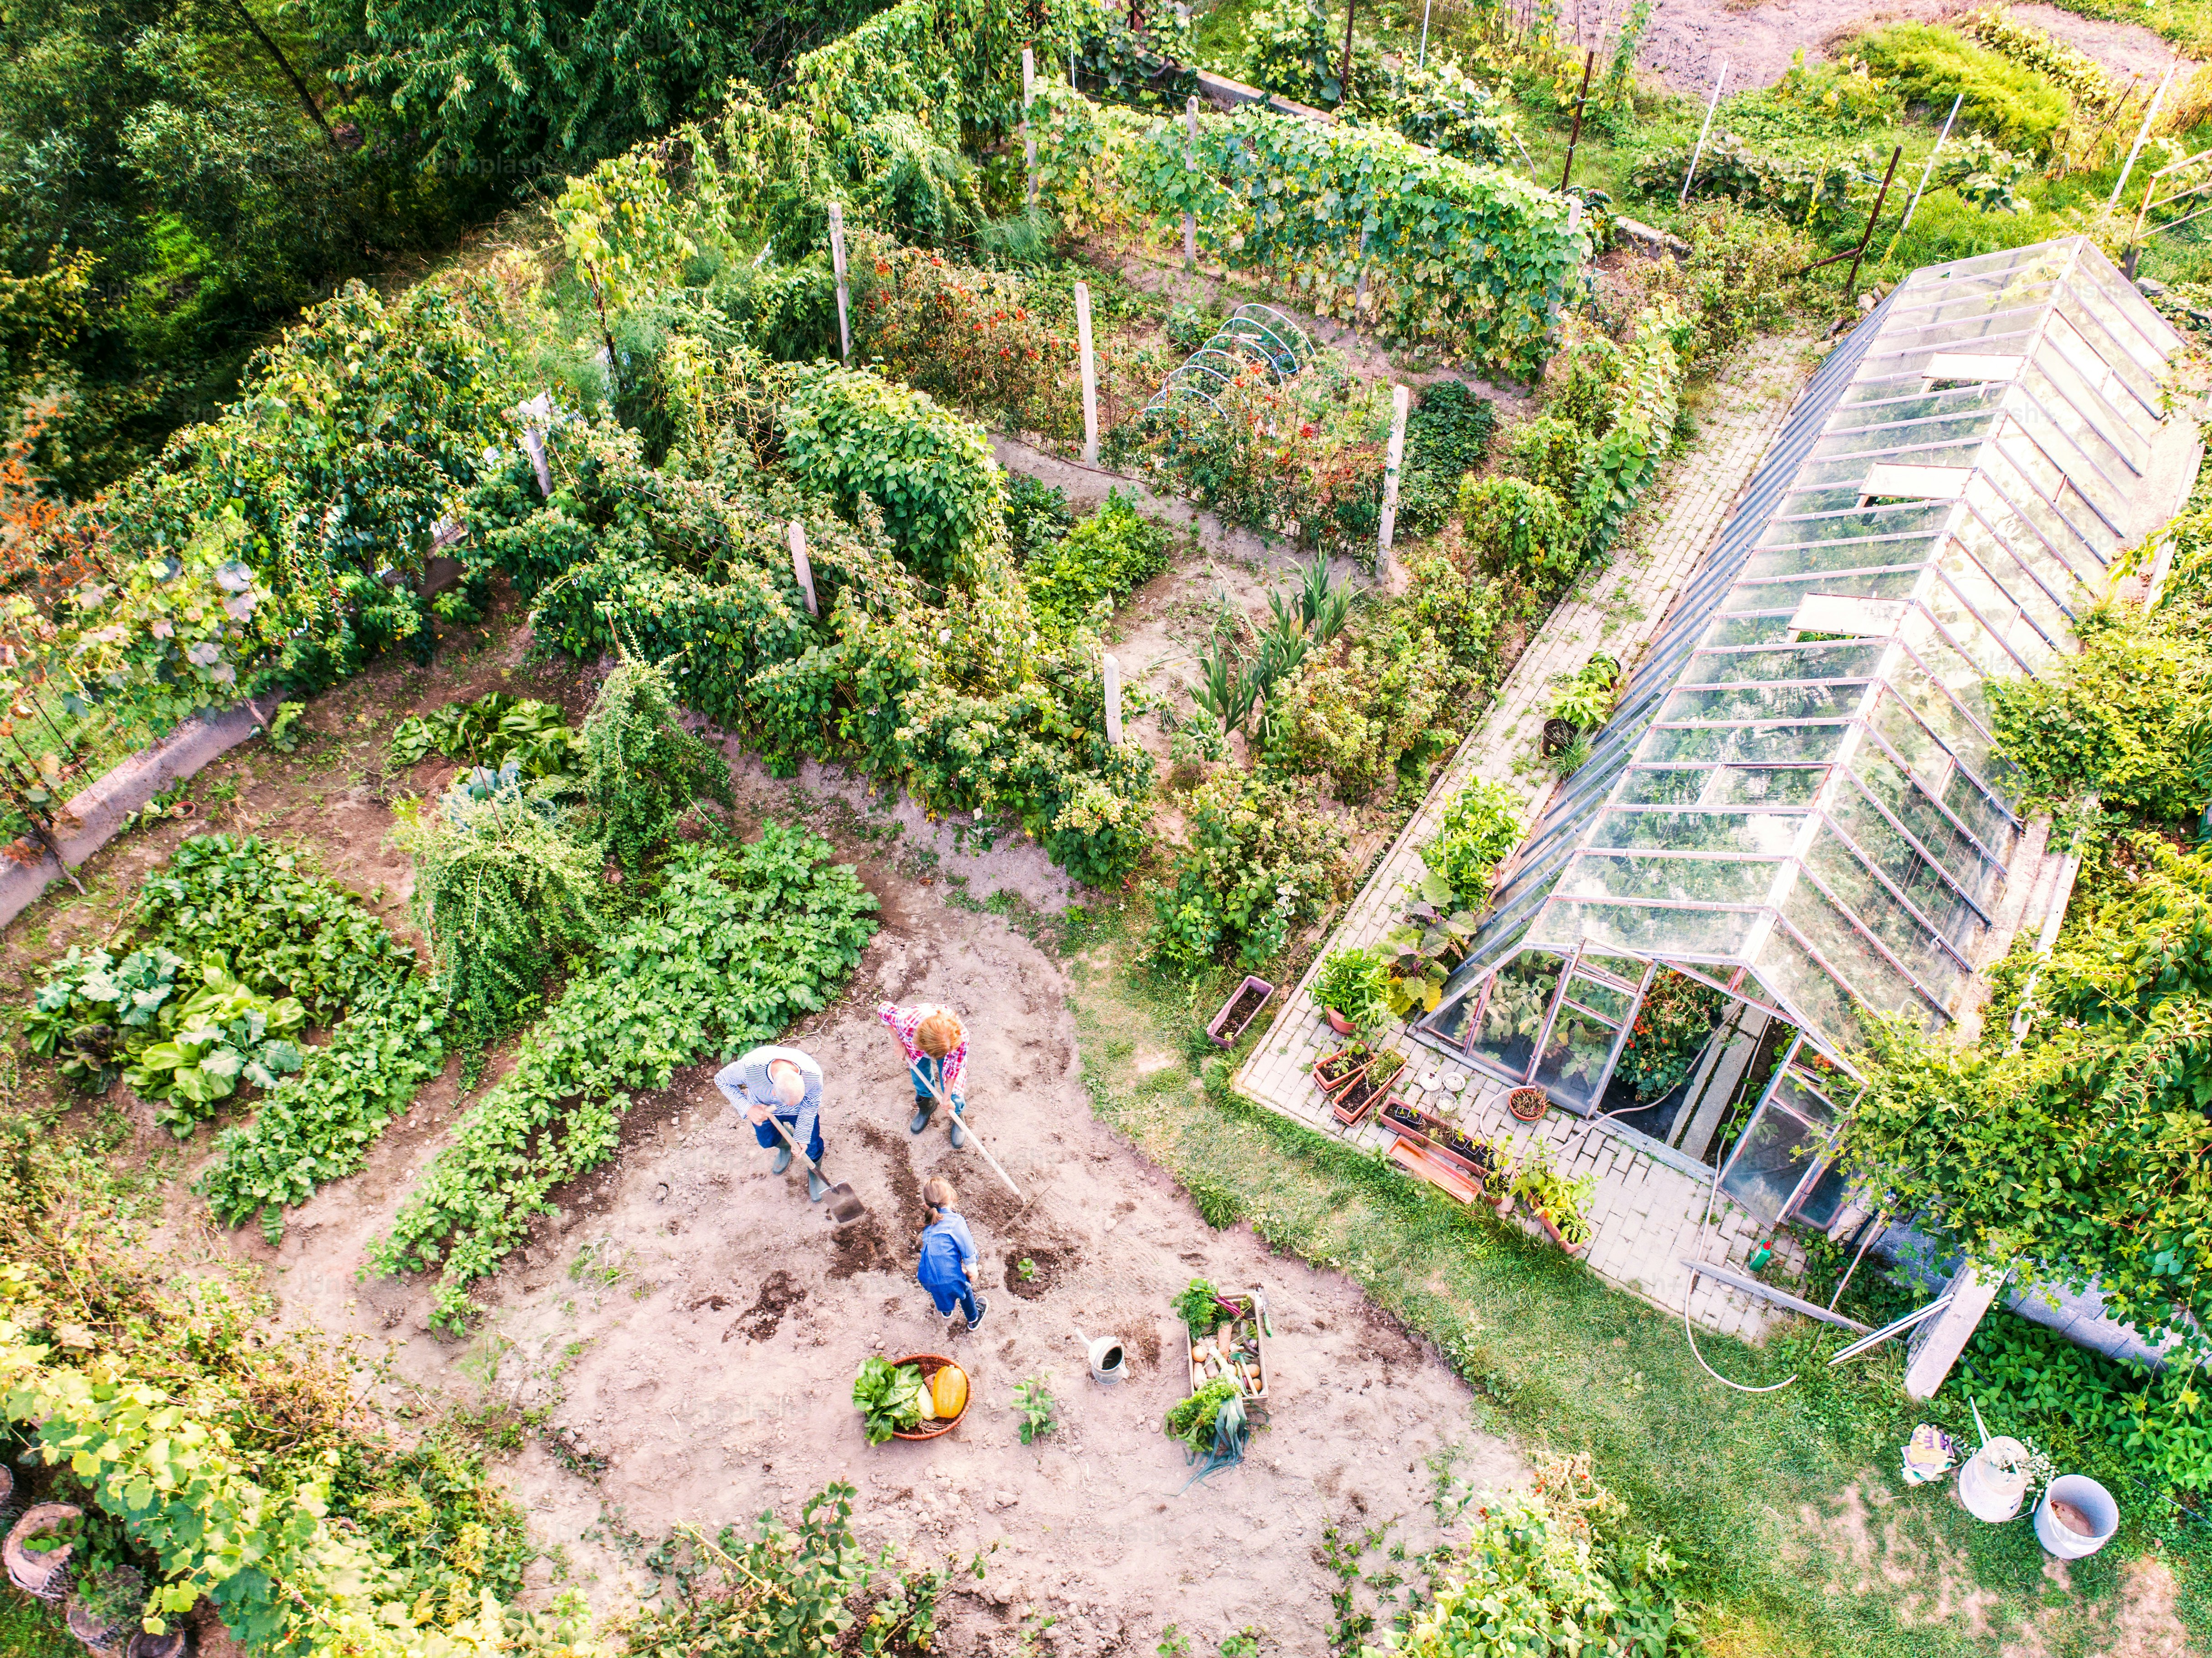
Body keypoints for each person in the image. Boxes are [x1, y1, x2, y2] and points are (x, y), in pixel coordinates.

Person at [715, 1044, 829, 1202]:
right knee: (767, 1141)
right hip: (766, 1110)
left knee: (811, 1146)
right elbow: (721, 1080)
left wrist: (802, 1137)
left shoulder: (812, 1074)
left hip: (800, 1112)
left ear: (802, 1079)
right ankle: (785, 1147)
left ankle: (815, 1173)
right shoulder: (749, 1068)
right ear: (773, 1092)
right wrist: (748, 1108)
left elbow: (810, 1104)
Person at [878, 1002, 969, 1147]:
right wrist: (898, 1043)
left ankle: (957, 1114)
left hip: (947, 1048)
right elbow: (883, 1009)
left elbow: (954, 1068)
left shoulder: (959, 1037)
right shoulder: (906, 1021)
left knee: (954, 1094)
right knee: (920, 1078)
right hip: (916, 1044)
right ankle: (928, 1105)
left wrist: (947, 1097)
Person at [916, 1177, 988, 1332]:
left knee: (939, 1289)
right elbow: (967, 1249)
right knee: (965, 1289)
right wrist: (972, 1270)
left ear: (926, 1205)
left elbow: (936, 1255)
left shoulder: (929, 1226)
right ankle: (974, 1319)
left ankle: (946, 1311)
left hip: (925, 1275)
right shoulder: (956, 1221)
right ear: (951, 1198)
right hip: (948, 1278)